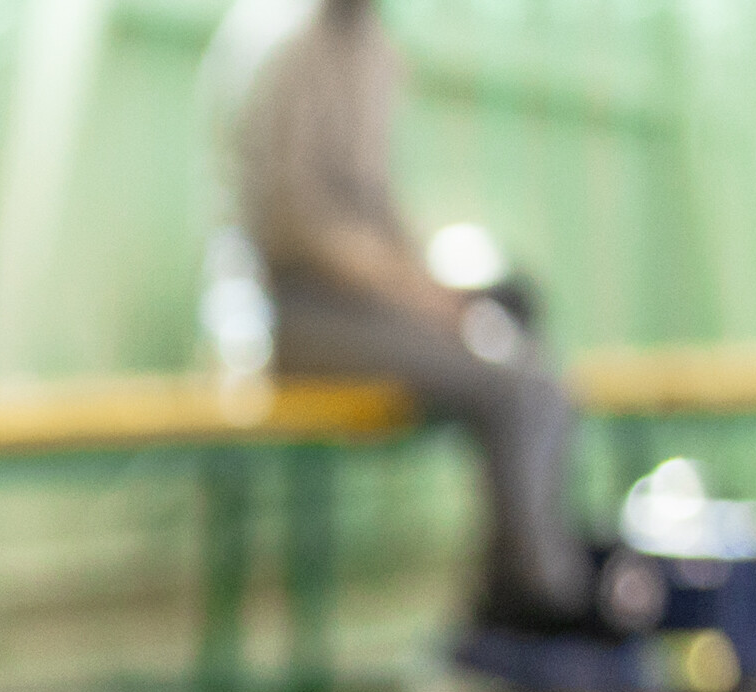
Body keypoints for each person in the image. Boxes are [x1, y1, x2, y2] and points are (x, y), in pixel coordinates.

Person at [229, 0, 594, 634]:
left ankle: (530, 576)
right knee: (510, 387)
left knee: (528, 357)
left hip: (379, 308)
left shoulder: (373, 51)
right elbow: (296, 225)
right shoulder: (284, 44)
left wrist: (434, 288)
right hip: (306, 317)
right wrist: (415, 293)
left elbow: (381, 211)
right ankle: (536, 593)